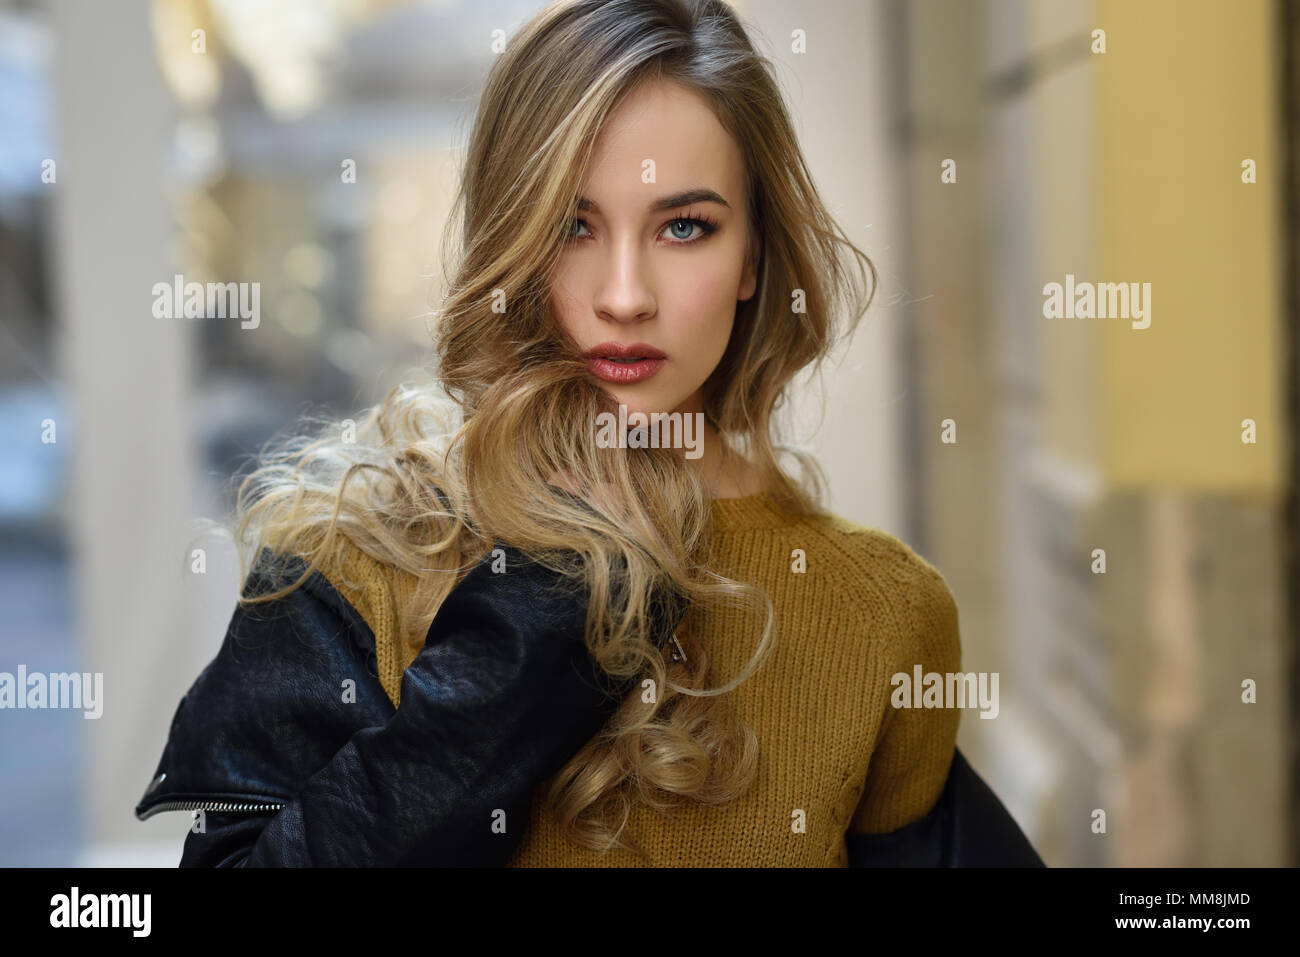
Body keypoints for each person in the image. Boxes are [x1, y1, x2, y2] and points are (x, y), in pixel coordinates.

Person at [136, 0, 1042, 867]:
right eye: (574, 225)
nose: (624, 295)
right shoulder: (354, 552)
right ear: (515, 238)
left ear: (755, 256)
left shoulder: (881, 609)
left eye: (685, 226)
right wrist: (532, 626)